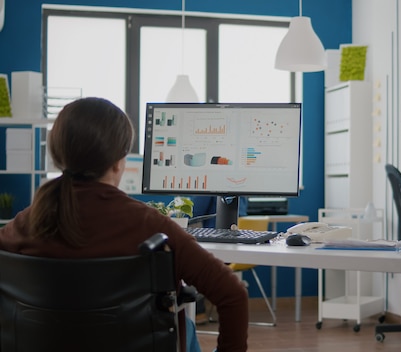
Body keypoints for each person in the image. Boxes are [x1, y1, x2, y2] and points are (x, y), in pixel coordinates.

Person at [0, 97, 249, 352]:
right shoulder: (151, 226)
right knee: (186, 327)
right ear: (119, 161)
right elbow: (233, 295)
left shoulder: (22, 225)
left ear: (58, 155)